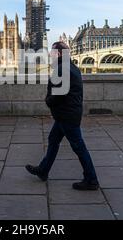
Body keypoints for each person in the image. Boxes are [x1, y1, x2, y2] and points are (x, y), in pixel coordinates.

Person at [26, 42, 100, 191]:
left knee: (79, 147)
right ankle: (43, 169)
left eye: (52, 52)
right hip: (66, 114)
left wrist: (48, 101)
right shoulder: (71, 67)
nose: (50, 55)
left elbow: (58, 94)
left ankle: (91, 179)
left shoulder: (62, 69)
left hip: (67, 115)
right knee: (53, 140)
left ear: (59, 54)